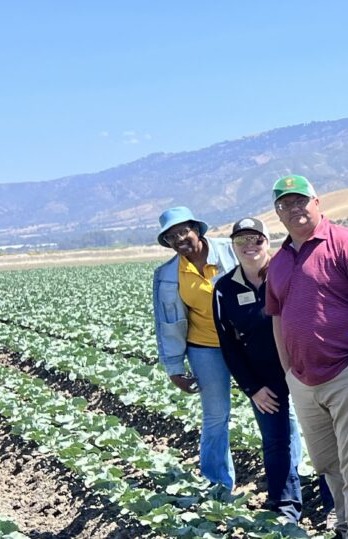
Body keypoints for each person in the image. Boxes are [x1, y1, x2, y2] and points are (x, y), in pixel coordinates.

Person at [263, 174, 348, 538]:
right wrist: (287, 370)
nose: (294, 209)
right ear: (278, 213)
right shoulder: (280, 260)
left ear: (317, 203)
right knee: (328, 463)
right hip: (302, 379)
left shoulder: (346, 244)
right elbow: (278, 316)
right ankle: (346, 525)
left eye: (300, 200)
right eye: (285, 204)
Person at [212, 216, 307, 520]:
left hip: (304, 370)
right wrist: (252, 389)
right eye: (241, 240)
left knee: (323, 438)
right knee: (276, 441)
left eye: (256, 239)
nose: (249, 246)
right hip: (264, 378)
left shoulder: (288, 274)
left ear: (268, 243)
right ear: (233, 247)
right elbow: (229, 346)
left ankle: (334, 504)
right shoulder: (224, 289)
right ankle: (285, 507)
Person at [150, 206, 238, 490]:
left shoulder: (232, 251)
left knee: (275, 408)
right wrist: (174, 367)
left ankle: (289, 479)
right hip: (205, 347)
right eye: (171, 237)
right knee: (215, 414)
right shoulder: (167, 274)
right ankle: (217, 483)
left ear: (197, 230)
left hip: (247, 342)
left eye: (183, 231)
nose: (179, 239)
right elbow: (168, 323)